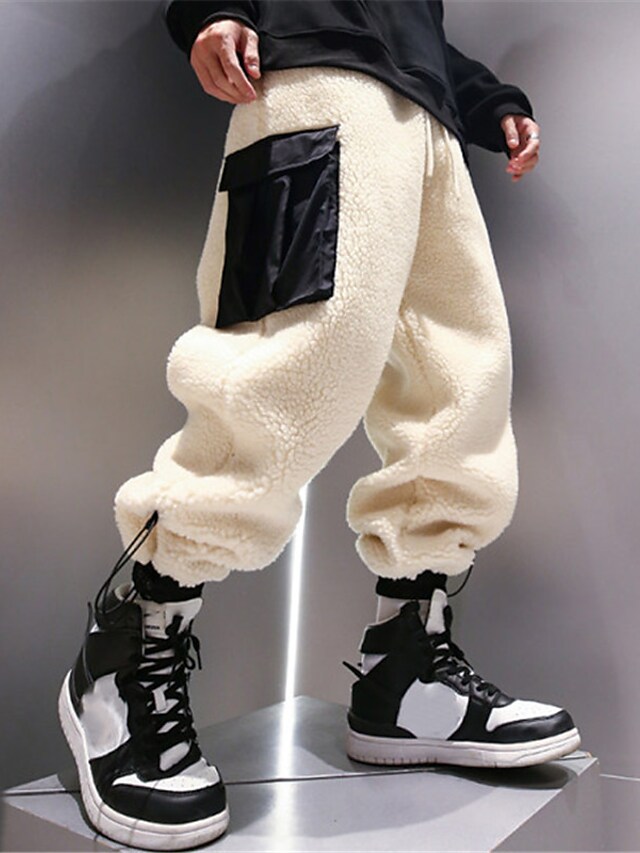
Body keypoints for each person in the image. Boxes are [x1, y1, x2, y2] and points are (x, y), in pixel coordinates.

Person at [57, 2, 580, 849]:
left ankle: (404, 671)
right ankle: (128, 644)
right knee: (291, 370)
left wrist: (486, 99)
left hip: (430, 121)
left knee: (460, 392)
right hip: (315, 76)